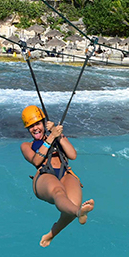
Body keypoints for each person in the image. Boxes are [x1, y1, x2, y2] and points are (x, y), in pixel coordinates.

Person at [20, 105, 94, 247]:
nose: (35, 128)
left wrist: (57, 134)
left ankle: (52, 233)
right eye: (31, 126)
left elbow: (72, 155)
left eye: (37, 124)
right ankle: (80, 213)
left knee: (73, 204)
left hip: (65, 173)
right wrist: (51, 137)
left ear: (43, 123)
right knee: (58, 192)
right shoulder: (25, 145)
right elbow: (36, 160)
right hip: (44, 176)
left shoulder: (56, 135)